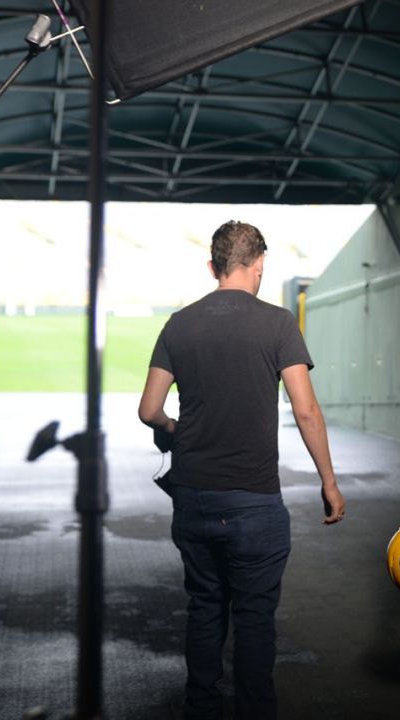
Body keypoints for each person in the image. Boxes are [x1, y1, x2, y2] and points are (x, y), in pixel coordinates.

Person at [138, 220, 346, 720]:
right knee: (254, 618)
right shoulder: (277, 324)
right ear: (259, 265)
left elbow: (149, 409)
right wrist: (329, 482)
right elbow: (306, 410)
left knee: (205, 607)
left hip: (193, 496)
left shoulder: (178, 324)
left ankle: (201, 708)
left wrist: (175, 428)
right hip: (254, 501)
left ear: (213, 267)